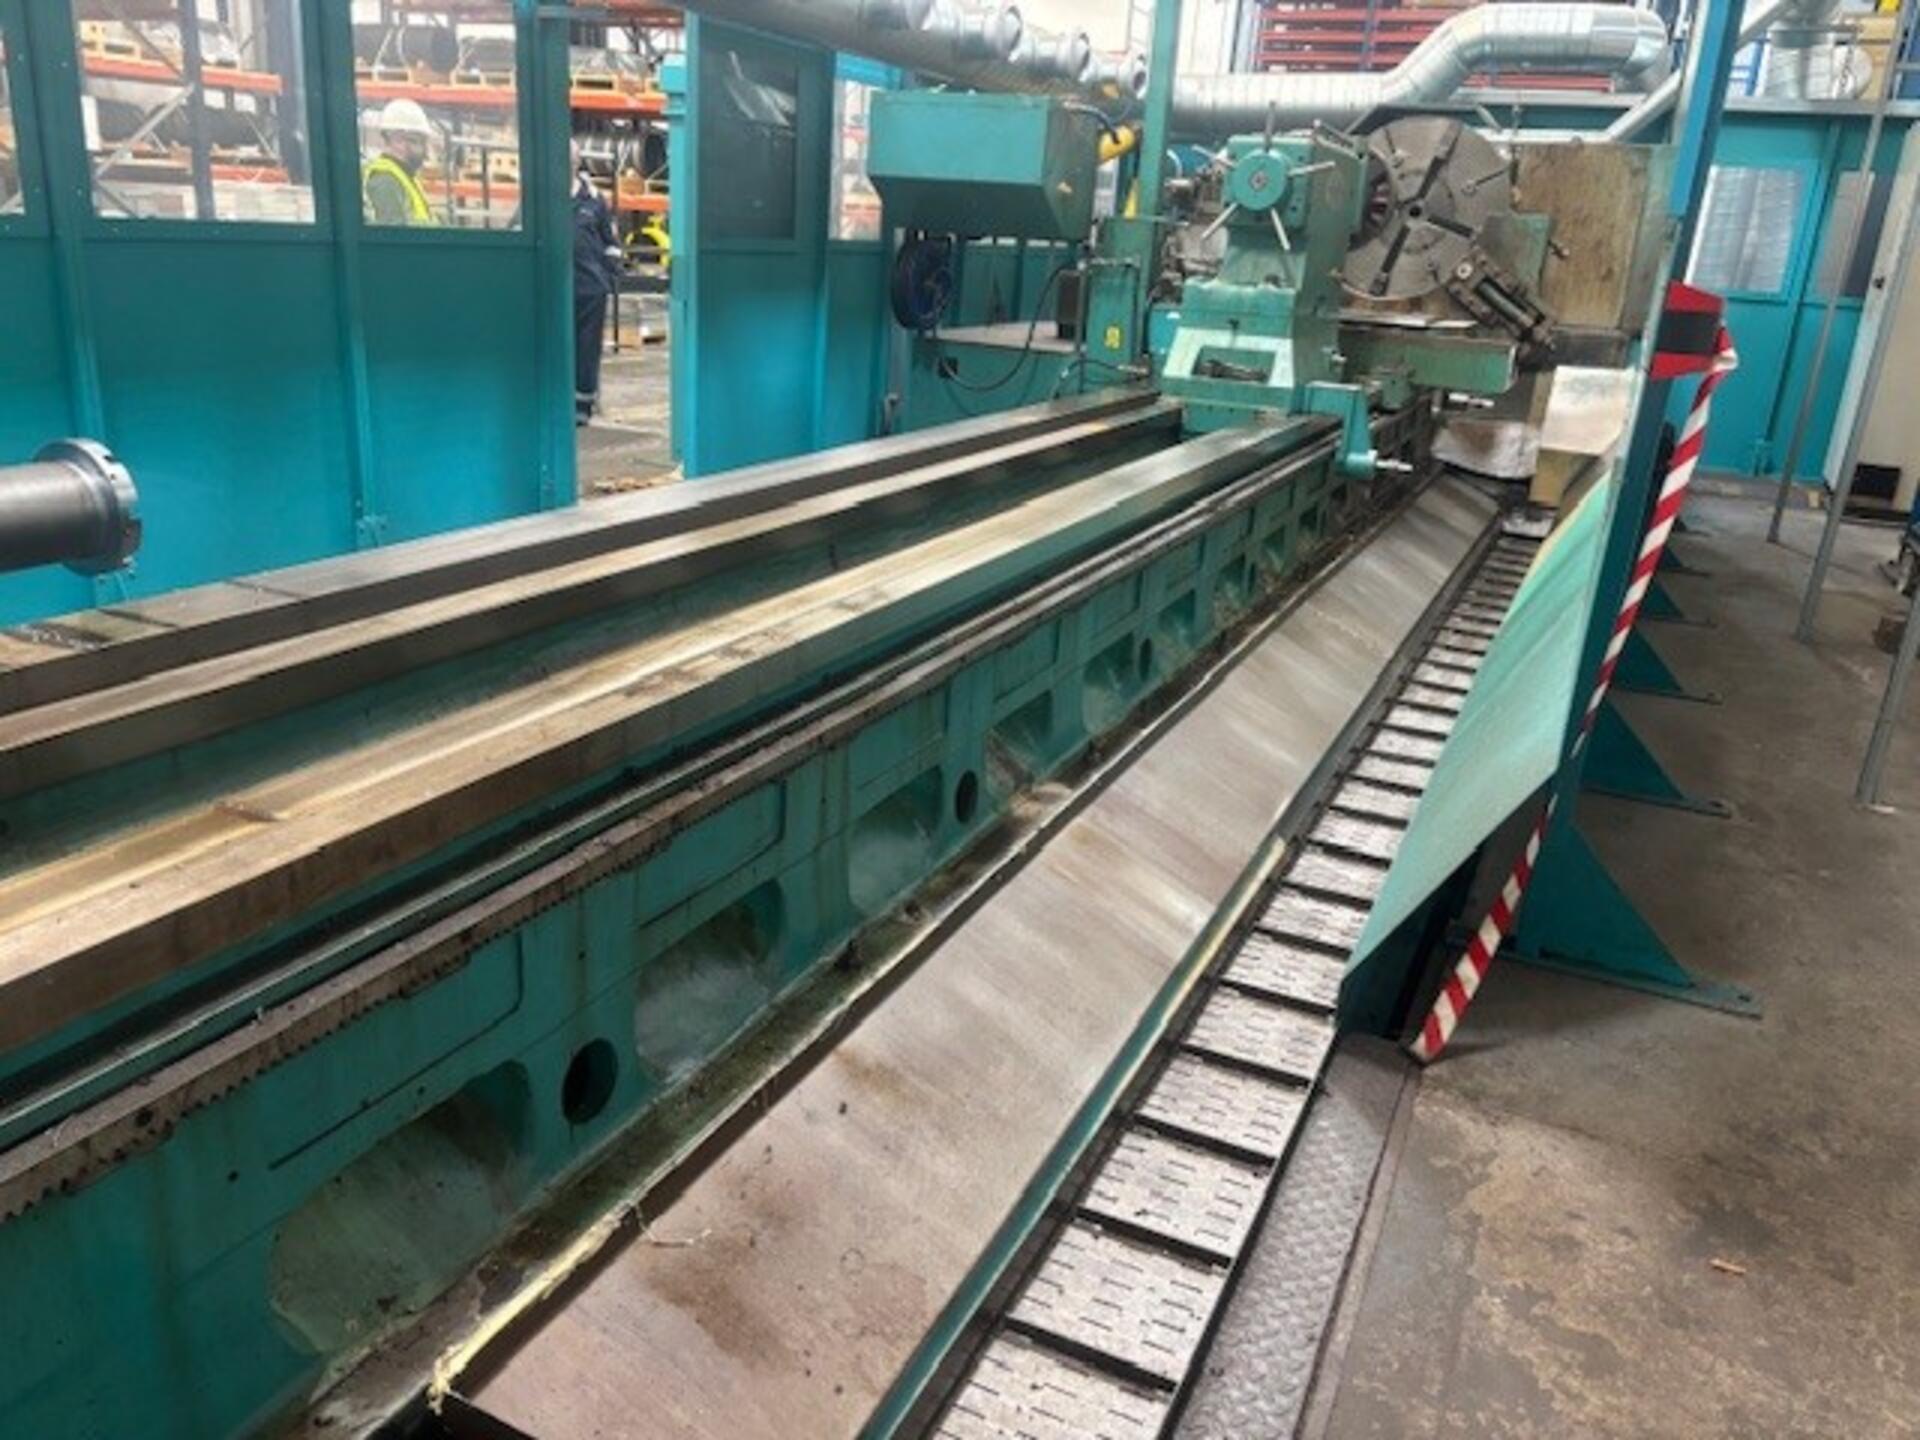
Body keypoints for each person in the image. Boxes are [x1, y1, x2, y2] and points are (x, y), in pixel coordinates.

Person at [572, 148, 622, 425]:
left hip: (590, 289)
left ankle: (582, 404)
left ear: (577, 162)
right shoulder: (541, 196)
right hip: (553, 288)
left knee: (587, 348)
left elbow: (611, 243)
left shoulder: (594, 200)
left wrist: (607, 276)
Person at [363, 99, 435, 226]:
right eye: (418, 142)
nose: (425, 153)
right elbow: (393, 232)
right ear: (399, 141)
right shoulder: (385, 179)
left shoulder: (403, 176)